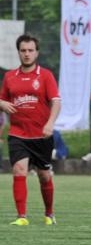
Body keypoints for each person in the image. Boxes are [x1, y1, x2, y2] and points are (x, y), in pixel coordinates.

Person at [0, 34, 61, 226]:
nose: (27, 54)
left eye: (30, 50)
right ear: (18, 52)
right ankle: (21, 217)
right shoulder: (10, 77)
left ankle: (49, 213)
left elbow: (56, 102)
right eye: (23, 50)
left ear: (37, 52)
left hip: (41, 135)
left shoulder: (46, 75)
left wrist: (50, 123)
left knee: (44, 176)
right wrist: (2, 104)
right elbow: (1, 98)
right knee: (19, 170)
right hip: (18, 133)